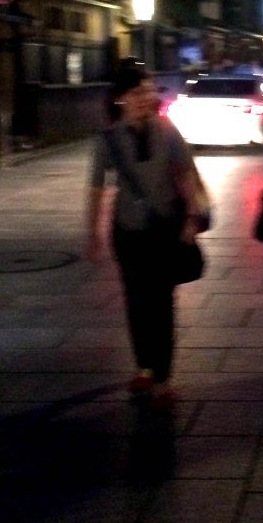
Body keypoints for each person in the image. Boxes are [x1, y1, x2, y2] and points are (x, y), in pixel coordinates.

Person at [86, 61, 203, 407]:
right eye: (137, 92)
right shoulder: (108, 139)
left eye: (149, 90)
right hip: (127, 232)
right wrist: (92, 232)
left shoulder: (167, 131)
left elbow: (186, 175)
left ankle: (163, 378)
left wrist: (191, 219)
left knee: (162, 302)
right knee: (136, 300)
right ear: (121, 98)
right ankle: (143, 368)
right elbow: (95, 188)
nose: (146, 97)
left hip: (165, 228)